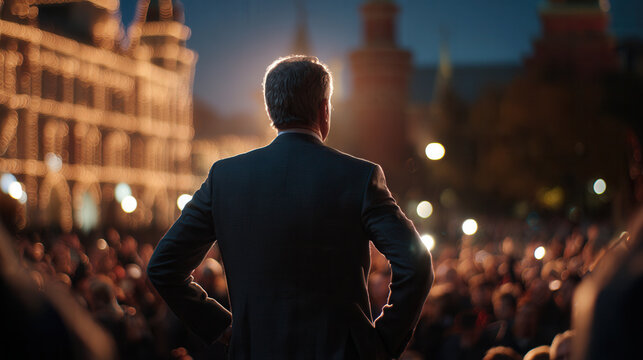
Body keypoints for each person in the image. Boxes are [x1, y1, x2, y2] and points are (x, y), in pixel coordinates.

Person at [147, 55, 434, 359]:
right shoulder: (358, 177)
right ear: (324, 109)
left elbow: (163, 266)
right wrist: (381, 343)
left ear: (271, 111)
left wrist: (220, 326)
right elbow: (415, 263)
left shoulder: (226, 178)